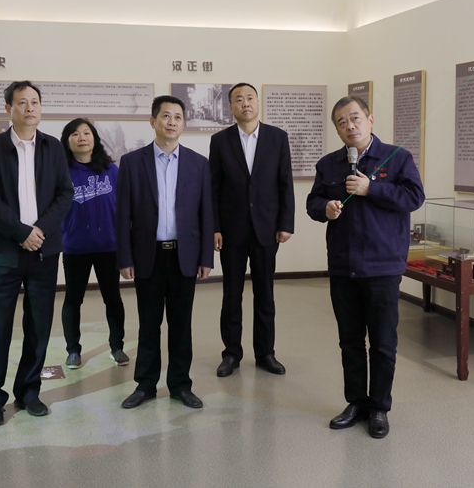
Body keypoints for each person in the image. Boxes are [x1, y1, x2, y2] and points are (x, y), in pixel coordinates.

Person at [306, 96, 424, 438]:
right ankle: (356, 402)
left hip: (382, 267)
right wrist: (325, 208)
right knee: (350, 341)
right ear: (337, 129)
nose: (350, 126)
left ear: (370, 120)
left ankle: (379, 407)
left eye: (355, 118)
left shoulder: (397, 158)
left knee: (383, 343)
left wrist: (372, 188)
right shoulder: (329, 164)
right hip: (343, 266)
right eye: (341, 122)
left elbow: (414, 197)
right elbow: (313, 202)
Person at [0, 81, 73, 426]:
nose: (30, 108)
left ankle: (29, 392)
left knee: (39, 325)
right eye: (22, 102)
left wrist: (39, 230)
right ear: (9, 109)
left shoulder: (53, 147)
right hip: (4, 252)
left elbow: (65, 193)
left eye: (35, 102)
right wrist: (21, 233)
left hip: (44, 251)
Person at [115, 95, 213, 409]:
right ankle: (145, 385)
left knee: (181, 326)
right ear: (153, 121)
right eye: (166, 116)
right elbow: (123, 214)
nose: (172, 122)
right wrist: (125, 257)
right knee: (149, 325)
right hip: (148, 256)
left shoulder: (198, 163)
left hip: (185, 256)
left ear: (184, 123)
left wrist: (206, 257)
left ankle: (180, 385)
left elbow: (206, 214)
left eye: (178, 117)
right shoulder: (132, 162)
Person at [209, 82, 294, 377]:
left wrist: (286, 223)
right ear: (230, 107)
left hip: (266, 229)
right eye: (238, 99)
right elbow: (213, 188)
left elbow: (285, 183)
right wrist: (214, 227)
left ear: (258, 103)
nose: (245, 103)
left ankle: (265, 353)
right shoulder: (220, 141)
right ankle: (231, 353)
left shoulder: (277, 137)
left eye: (250, 98)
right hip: (231, 230)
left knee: (265, 294)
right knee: (231, 295)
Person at [59, 118, 127, 369]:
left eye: (86, 133)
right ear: (67, 141)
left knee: (113, 298)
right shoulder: (61, 172)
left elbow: (124, 207)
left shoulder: (111, 170)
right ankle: (73, 350)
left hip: (108, 247)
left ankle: (117, 347)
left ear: (95, 139)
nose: (82, 138)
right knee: (73, 300)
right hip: (75, 247)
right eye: (75, 134)